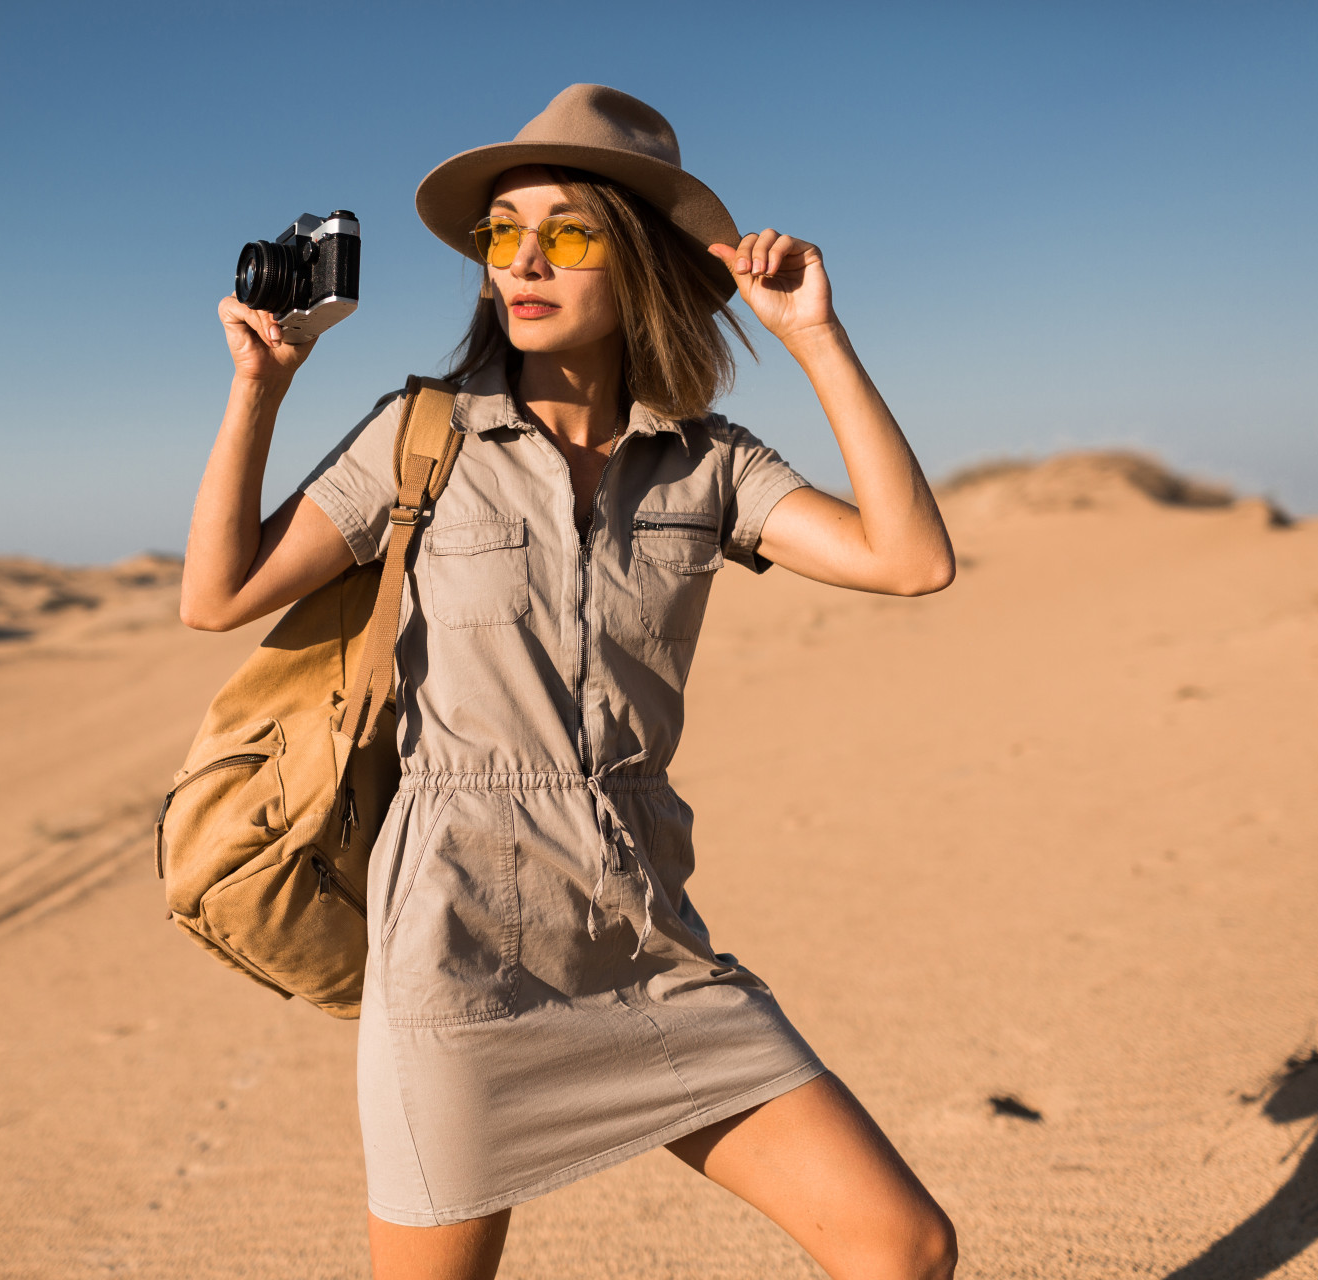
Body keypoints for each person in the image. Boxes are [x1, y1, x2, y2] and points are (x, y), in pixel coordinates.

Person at [180, 84, 958, 1280]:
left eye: (570, 232)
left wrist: (814, 338)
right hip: (453, 937)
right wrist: (260, 388)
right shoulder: (420, 436)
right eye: (503, 233)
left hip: (645, 929)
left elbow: (909, 560)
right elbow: (217, 591)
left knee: (901, 1244)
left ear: (636, 259)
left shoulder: (709, 464)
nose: (524, 259)